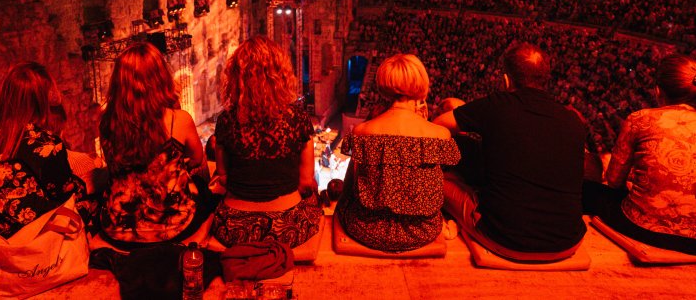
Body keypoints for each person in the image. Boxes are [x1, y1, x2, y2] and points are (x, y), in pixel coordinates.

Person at [435, 42, 587, 260]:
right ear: (545, 79)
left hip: (505, 238)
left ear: (506, 79)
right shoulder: (573, 120)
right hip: (568, 241)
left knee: (440, 181)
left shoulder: (497, 105)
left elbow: (440, 124)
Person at [0, 62, 87, 267]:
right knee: (87, 198)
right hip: (21, 243)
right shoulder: (45, 143)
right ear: (41, 99)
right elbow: (63, 191)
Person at [335, 54, 461, 252]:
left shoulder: (362, 132)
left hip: (366, 229)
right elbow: (434, 185)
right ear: (421, 84)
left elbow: (351, 187)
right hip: (422, 232)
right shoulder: (440, 135)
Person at [210, 35, 323, 248]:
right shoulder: (298, 118)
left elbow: (223, 178)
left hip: (235, 228)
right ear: (280, 76)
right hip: (288, 227)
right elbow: (306, 182)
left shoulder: (226, 121)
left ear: (236, 77)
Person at [584, 53, 696, 253]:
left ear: (658, 90)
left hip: (646, 229)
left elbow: (613, 181)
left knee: (589, 190)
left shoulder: (640, 119)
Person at [99, 42, 209, 245]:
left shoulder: (106, 122)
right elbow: (197, 159)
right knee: (204, 185)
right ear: (160, 77)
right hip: (173, 226)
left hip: (119, 229)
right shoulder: (179, 120)